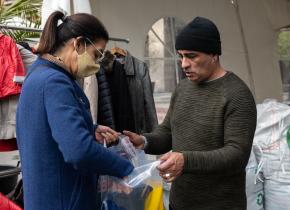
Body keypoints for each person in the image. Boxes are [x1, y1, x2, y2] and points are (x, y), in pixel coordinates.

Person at [124, 17, 257, 210]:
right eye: (181, 56)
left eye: (191, 56)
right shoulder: (183, 88)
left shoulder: (237, 95)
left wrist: (185, 160)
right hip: (180, 203)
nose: (184, 64)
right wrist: (144, 141)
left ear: (214, 54)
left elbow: (237, 155)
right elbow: (169, 131)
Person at [16, 11, 134, 210]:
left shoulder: (39, 74)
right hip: (63, 201)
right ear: (78, 44)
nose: (97, 64)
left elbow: (46, 128)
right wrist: (127, 168)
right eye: (96, 54)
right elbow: (78, 151)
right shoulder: (55, 82)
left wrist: (89, 127)